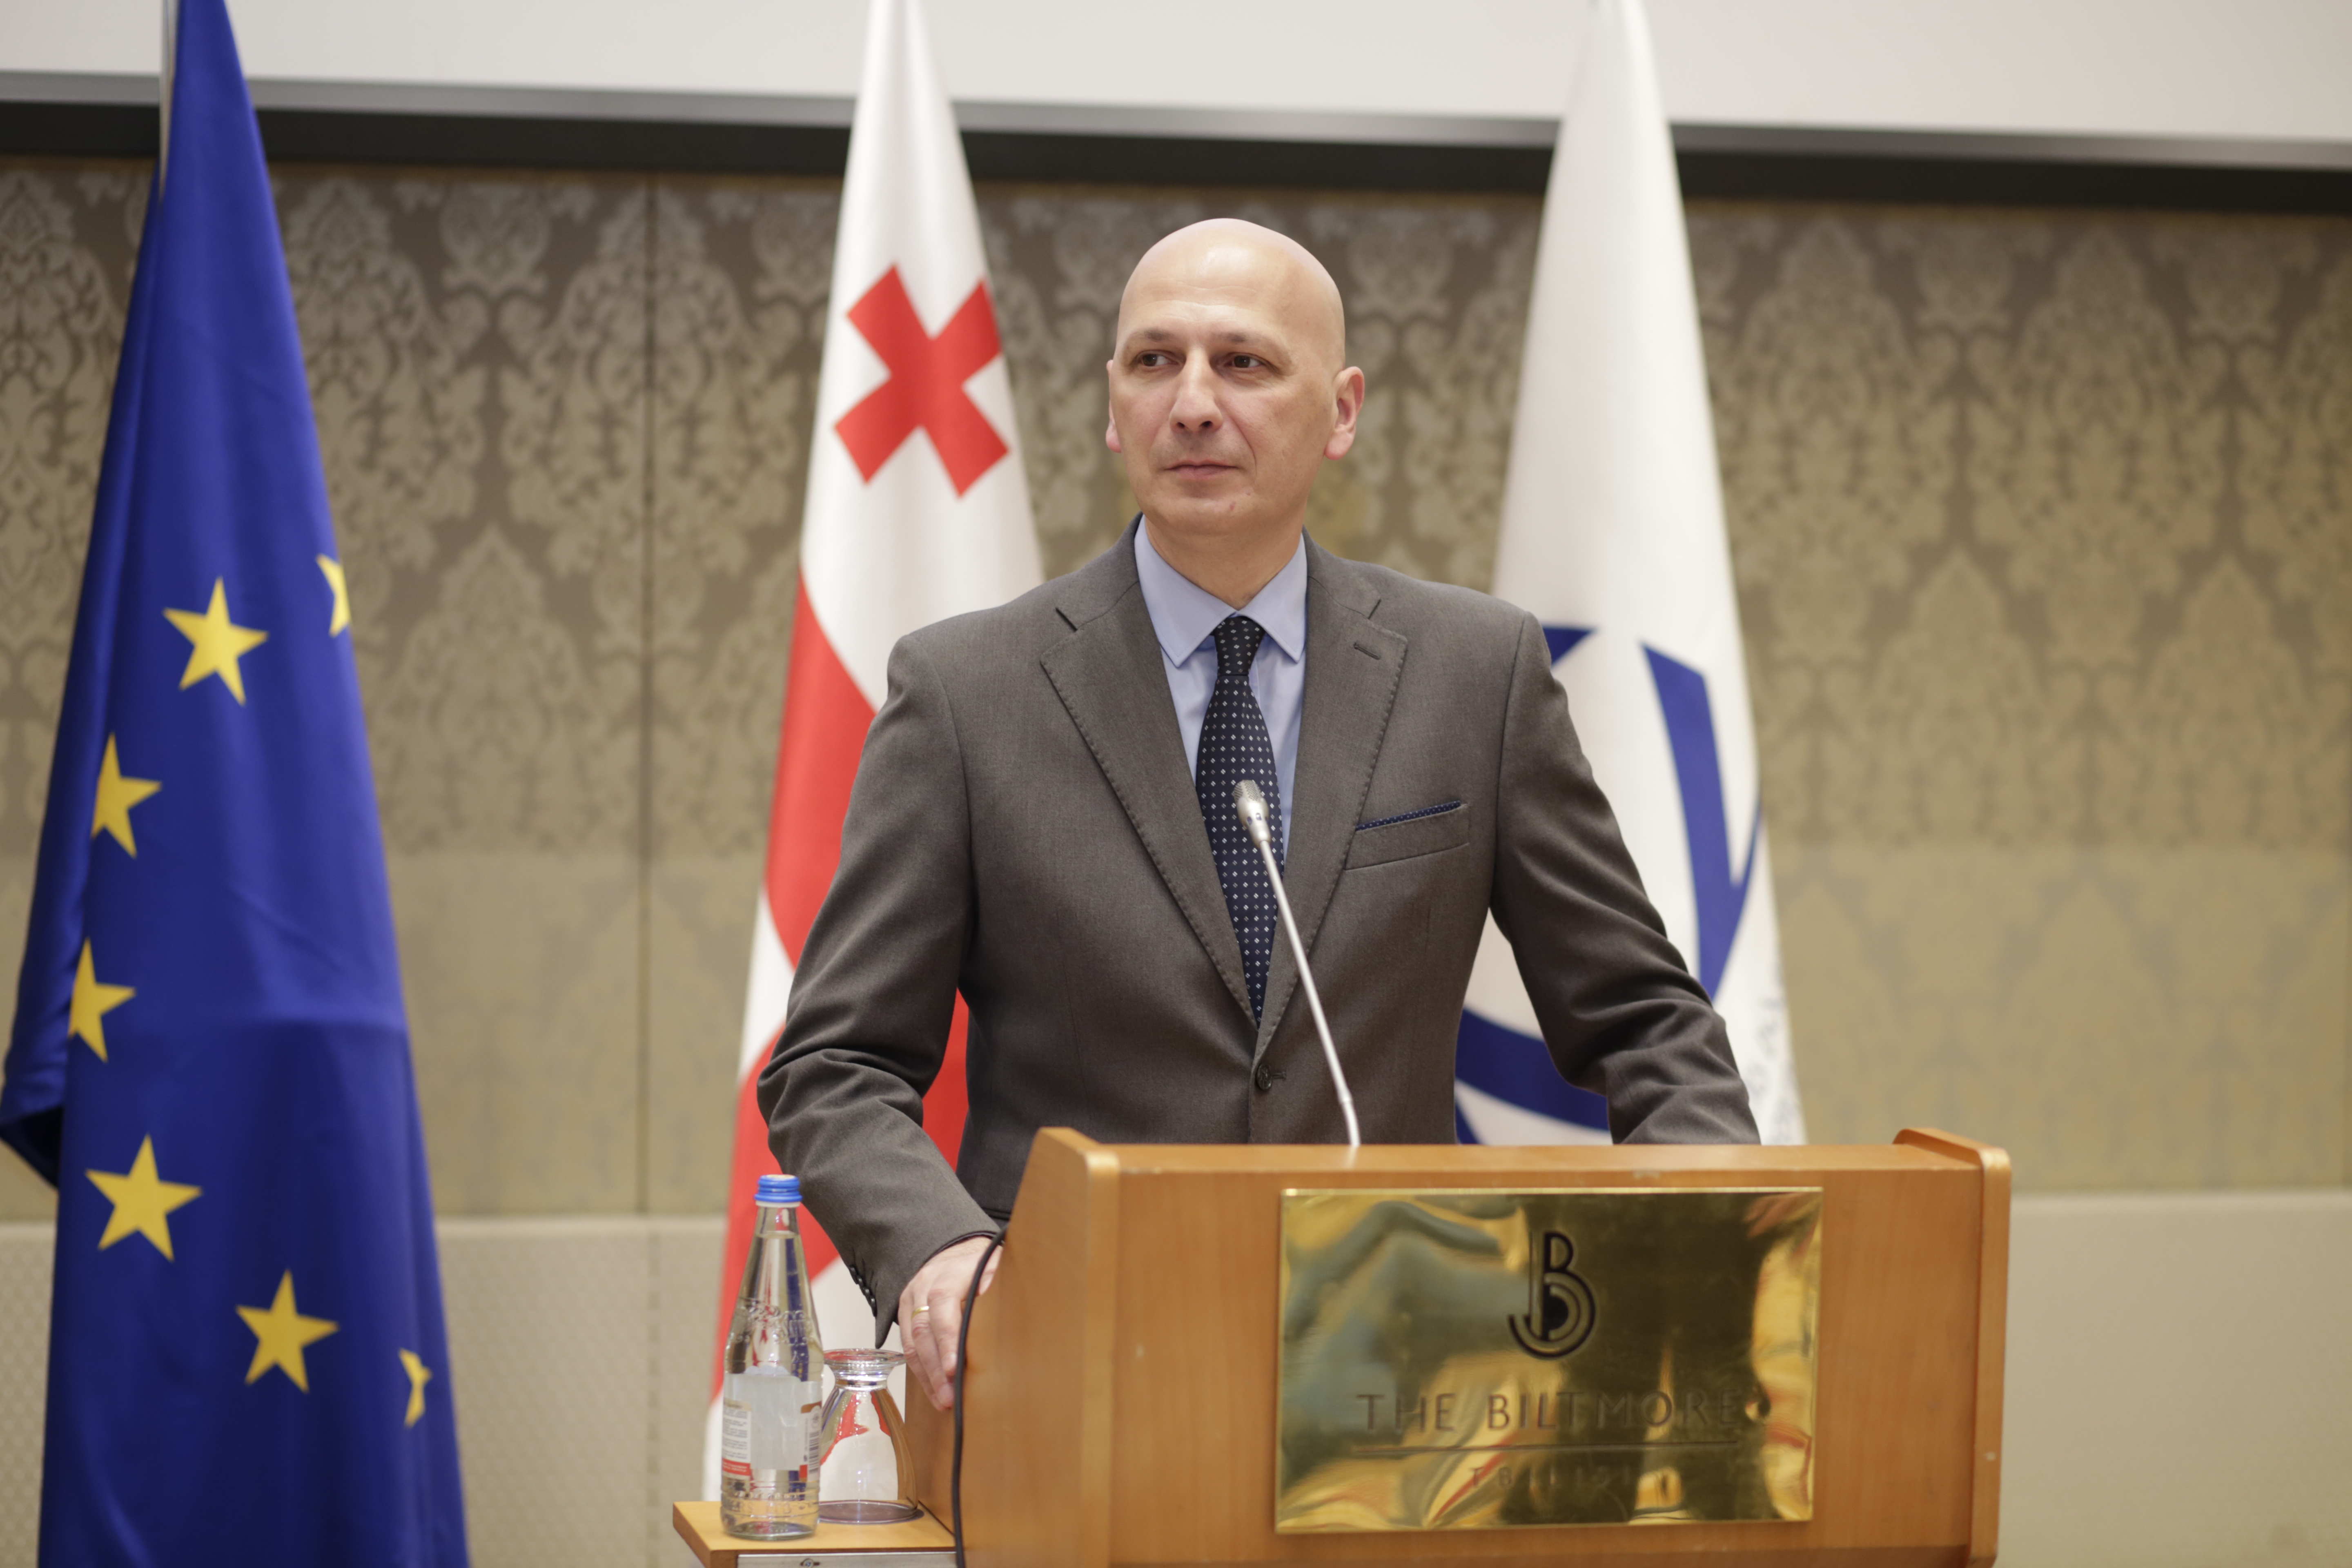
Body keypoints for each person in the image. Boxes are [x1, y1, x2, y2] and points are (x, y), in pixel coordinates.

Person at [760, 218, 1757, 1413]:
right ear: (1112, 405)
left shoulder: (1472, 673)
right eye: (1155, 361)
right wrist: (938, 1248)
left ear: (1341, 411)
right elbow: (836, 1061)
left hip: (1393, 1379)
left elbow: (1645, 1020)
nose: (1193, 404)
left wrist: (1708, 1246)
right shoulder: (969, 692)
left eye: (1243, 363)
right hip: (1069, 1374)